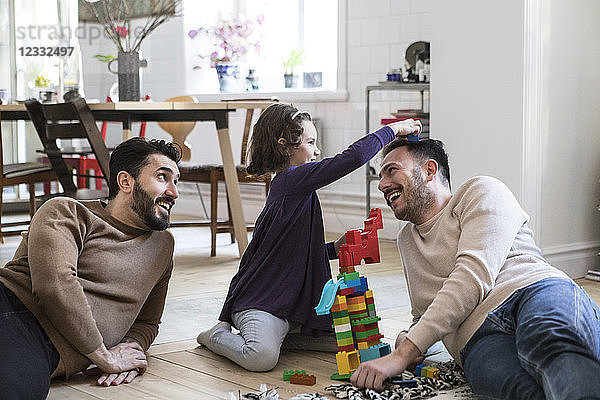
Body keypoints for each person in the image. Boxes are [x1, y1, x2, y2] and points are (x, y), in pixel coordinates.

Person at [350, 137, 600, 399]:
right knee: (513, 388)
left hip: (532, 291)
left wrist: (403, 354)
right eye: (381, 176)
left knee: (554, 344)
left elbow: (473, 276)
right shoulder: (407, 241)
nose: (382, 184)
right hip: (476, 337)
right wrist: (407, 338)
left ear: (429, 170)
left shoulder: (481, 190)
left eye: (392, 170)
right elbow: (425, 313)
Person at [196, 103, 422, 371]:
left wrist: (333, 249)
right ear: (284, 146)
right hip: (263, 302)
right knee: (261, 358)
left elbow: (289, 252)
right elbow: (349, 159)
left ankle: (283, 338)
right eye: (310, 142)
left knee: (351, 343)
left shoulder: (297, 190)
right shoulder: (290, 181)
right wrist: (393, 129)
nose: (316, 150)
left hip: (294, 307)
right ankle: (216, 335)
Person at [0, 137, 181, 399]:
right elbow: (55, 285)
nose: (174, 192)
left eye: (176, 181)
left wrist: (131, 350)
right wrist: (103, 356)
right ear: (126, 182)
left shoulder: (163, 247)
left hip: (48, 351)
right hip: (12, 308)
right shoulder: (66, 211)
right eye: (163, 177)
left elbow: (147, 321)